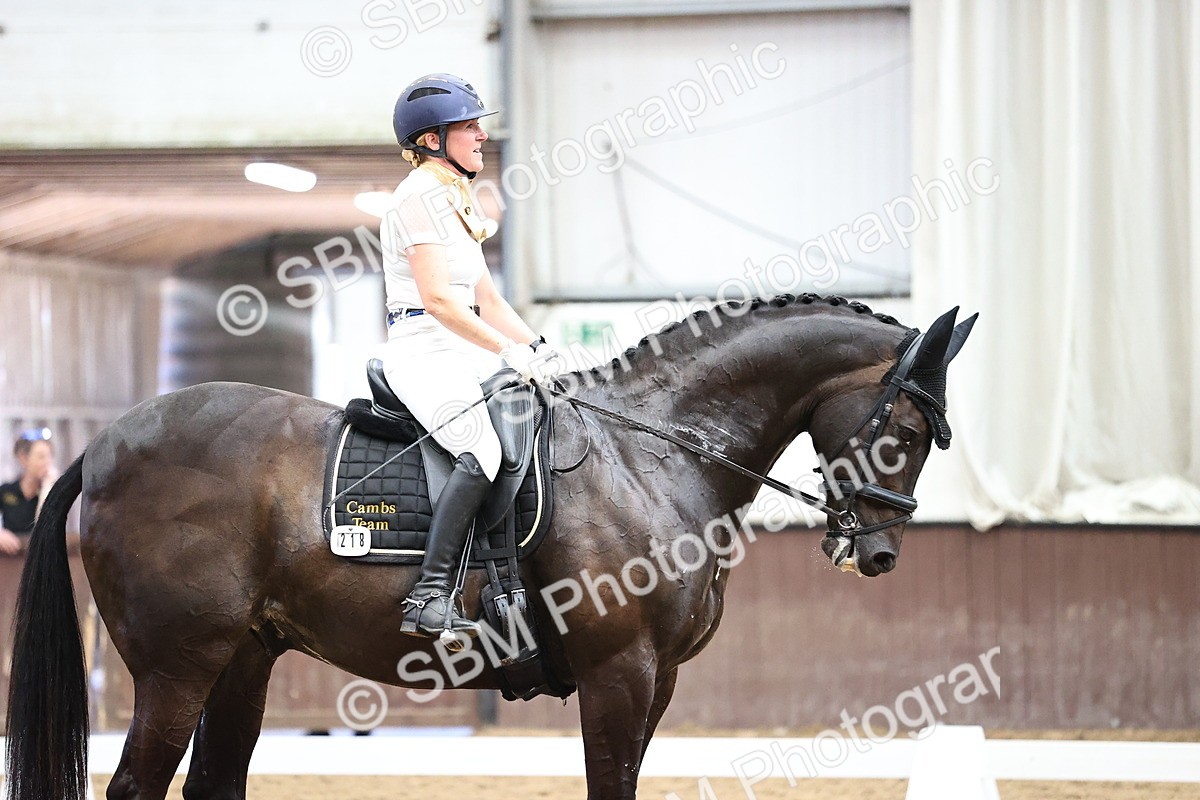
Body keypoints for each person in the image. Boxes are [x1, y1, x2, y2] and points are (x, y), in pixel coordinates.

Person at [383, 73, 562, 640]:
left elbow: (488, 300)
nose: (483, 135)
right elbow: (438, 300)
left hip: (463, 346)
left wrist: (538, 349)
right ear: (432, 140)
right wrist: (507, 350)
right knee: (481, 449)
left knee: (538, 422)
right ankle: (430, 595)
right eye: (469, 126)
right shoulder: (416, 197)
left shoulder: (454, 198)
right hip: (423, 347)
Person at [0, 430, 55, 556]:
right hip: (10, 559)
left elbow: (47, 529)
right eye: (41, 457)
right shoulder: (7, 490)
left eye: (49, 456)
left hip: (39, 558)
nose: (47, 462)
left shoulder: (52, 493)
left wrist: (47, 489)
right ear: (23, 459)